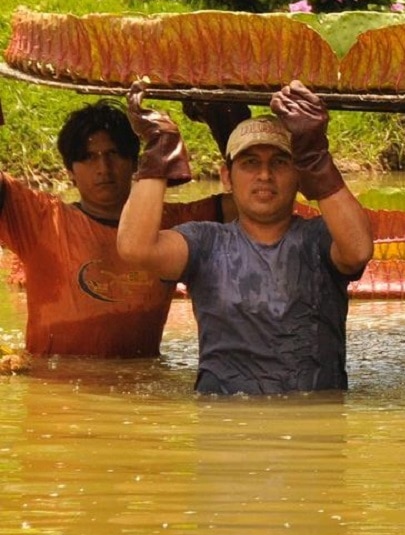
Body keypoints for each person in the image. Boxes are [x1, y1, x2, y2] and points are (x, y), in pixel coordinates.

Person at [117, 81, 374, 395]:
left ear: (299, 176)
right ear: (227, 178)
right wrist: (159, 149)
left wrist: (316, 156)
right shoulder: (206, 243)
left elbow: (359, 251)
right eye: (250, 163)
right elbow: (135, 248)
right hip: (225, 428)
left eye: (279, 163)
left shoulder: (319, 238)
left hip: (313, 431)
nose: (264, 175)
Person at [0, 97, 240, 358]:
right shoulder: (42, 219)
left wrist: (226, 125)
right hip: (55, 386)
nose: (103, 168)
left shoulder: (171, 225)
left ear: (135, 163)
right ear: (70, 171)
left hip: (142, 386)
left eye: (113, 154)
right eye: (89, 157)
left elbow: (256, 200)